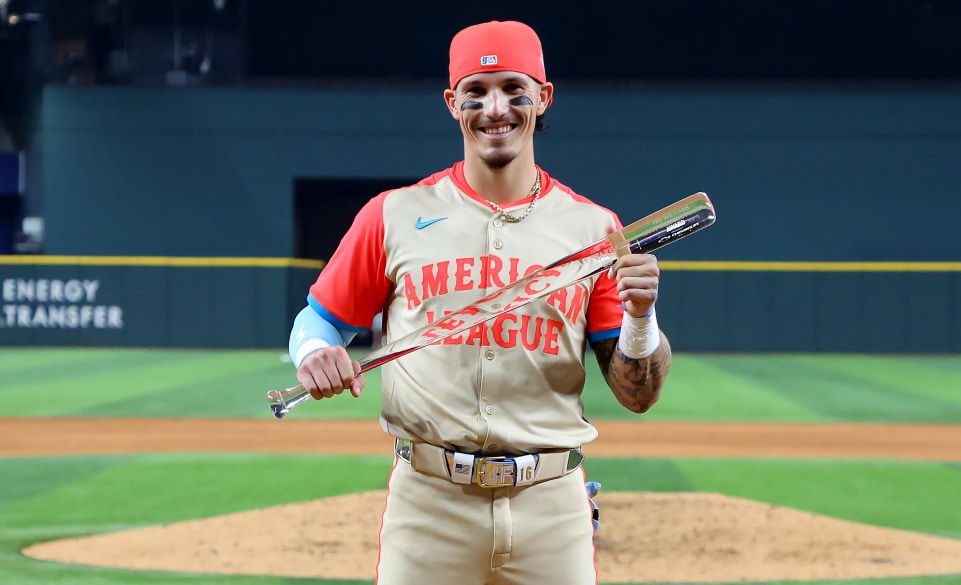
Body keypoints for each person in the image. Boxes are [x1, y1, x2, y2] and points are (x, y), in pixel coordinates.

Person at [288, 20, 673, 585]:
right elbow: (317, 320)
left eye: (514, 89)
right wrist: (314, 351)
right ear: (452, 103)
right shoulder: (392, 215)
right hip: (428, 504)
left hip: (551, 506)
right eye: (477, 92)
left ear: (542, 98)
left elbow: (637, 394)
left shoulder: (595, 229)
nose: (497, 108)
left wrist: (642, 319)